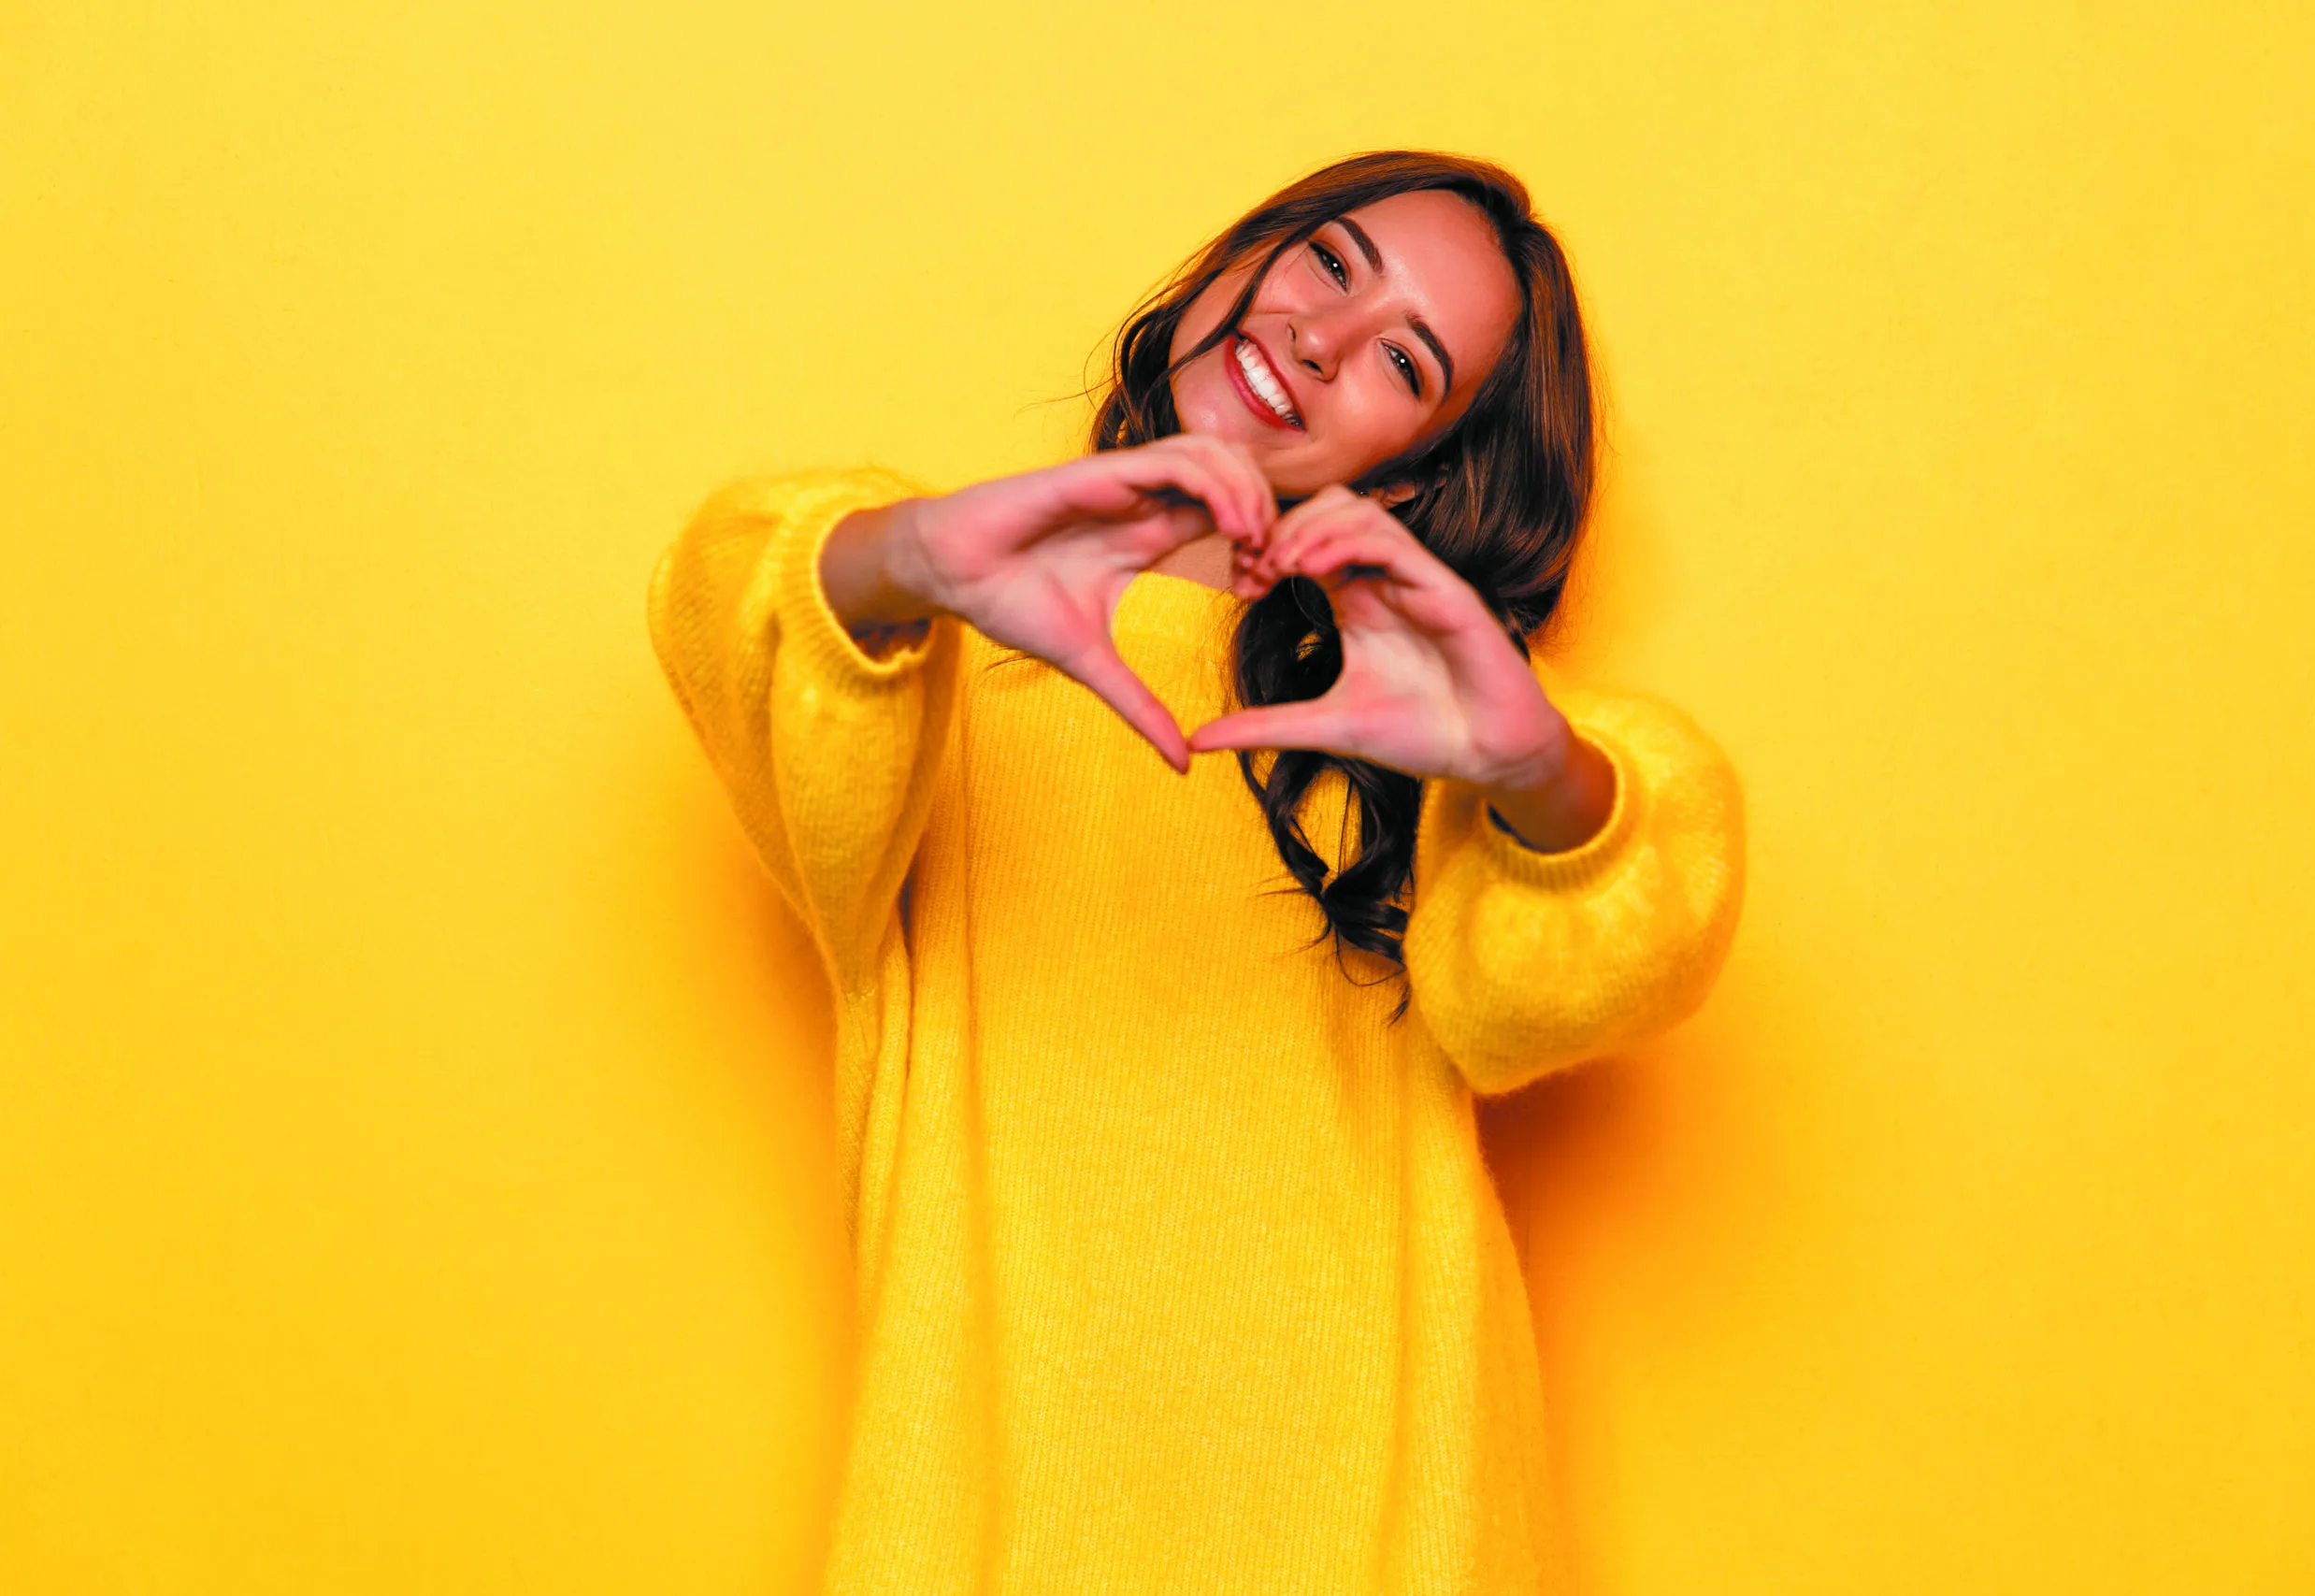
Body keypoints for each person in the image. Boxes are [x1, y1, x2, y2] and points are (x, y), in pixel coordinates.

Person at [647, 150, 1746, 1593]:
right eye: (1331, 262)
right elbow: (734, 598)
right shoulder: (923, 664)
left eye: (1403, 362)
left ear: (1409, 472)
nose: (1323, 337)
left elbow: (1632, 911)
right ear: (1238, 258)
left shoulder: (1424, 735)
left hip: (1388, 1521)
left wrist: (1532, 762)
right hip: (991, 1516)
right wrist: (914, 553)